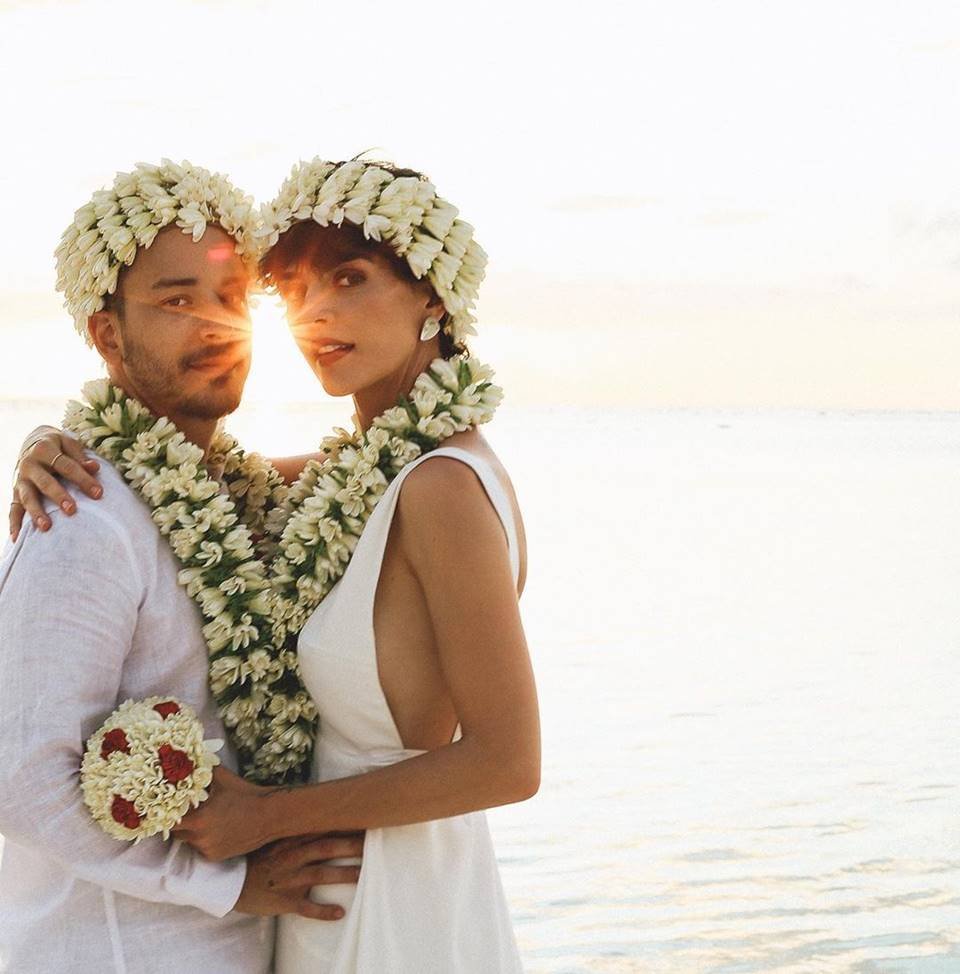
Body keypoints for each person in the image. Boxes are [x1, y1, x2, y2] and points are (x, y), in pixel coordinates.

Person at [12, 158, 540, 972]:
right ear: (107, 333)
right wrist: (44, 445)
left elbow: (509, 761)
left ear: (434, 294)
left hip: (387, 895)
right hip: (298, 896)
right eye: (293, 292)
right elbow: (207, 476)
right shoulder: (357, 478)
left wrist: (268, 817)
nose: (316, 314)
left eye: (350, 279)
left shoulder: (434, 483)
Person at [0, 161, 360, 974]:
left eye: (231, 300)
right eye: (175, 300)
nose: (213, 325)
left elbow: (374, 472)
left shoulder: (220, 492)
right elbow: (21, 779)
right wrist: (224, 883)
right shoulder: (81, 520)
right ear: (106, 334)